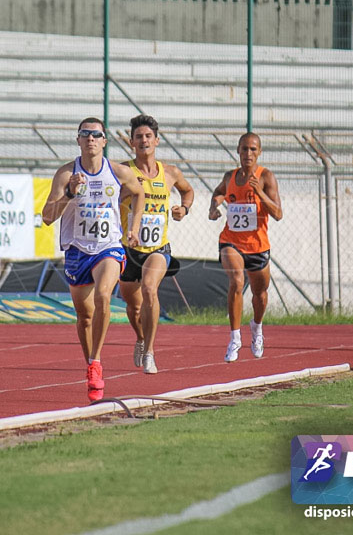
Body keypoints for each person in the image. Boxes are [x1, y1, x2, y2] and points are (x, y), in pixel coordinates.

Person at [41, 117, 144, 402]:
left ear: (104, 141)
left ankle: (97, 363)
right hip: (77, 250)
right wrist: (70, 194)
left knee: (103, 296)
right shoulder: (65, 174)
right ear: (78, 140)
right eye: (85, 134)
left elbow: (139, 192)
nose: (90, 139)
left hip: (108, 246)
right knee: (84, 316)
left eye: (96, 135)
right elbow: (47, 217)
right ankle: (90, 362)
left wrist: (133, 228)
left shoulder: (118, 171)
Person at [118, 114, 194, 374]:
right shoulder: (123, 171)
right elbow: (108, 198)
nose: (143, 140)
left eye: (148, 136)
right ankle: (140, 337)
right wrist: (124, 192)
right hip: (129, 248)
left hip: (158, 247)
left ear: (157, 141)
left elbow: (188, 190)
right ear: (131, 142)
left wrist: (183, 208)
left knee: (150, 289)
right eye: (138, 137)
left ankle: (150, 351)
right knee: (133, 306)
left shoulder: (170, 172)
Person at [208, 132, 283, 362]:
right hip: (231, 240)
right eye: (244, 149)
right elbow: (219, 192)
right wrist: (214, 207)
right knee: (237, 281)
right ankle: (234, 337)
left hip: (258, 245)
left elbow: (278, 213)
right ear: (238, 151)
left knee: (260, 294)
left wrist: (259, 193)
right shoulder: (230, 176)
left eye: (252, 149)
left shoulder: (266, 177)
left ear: (259, 152)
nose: (248, 153)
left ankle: (257, 329)